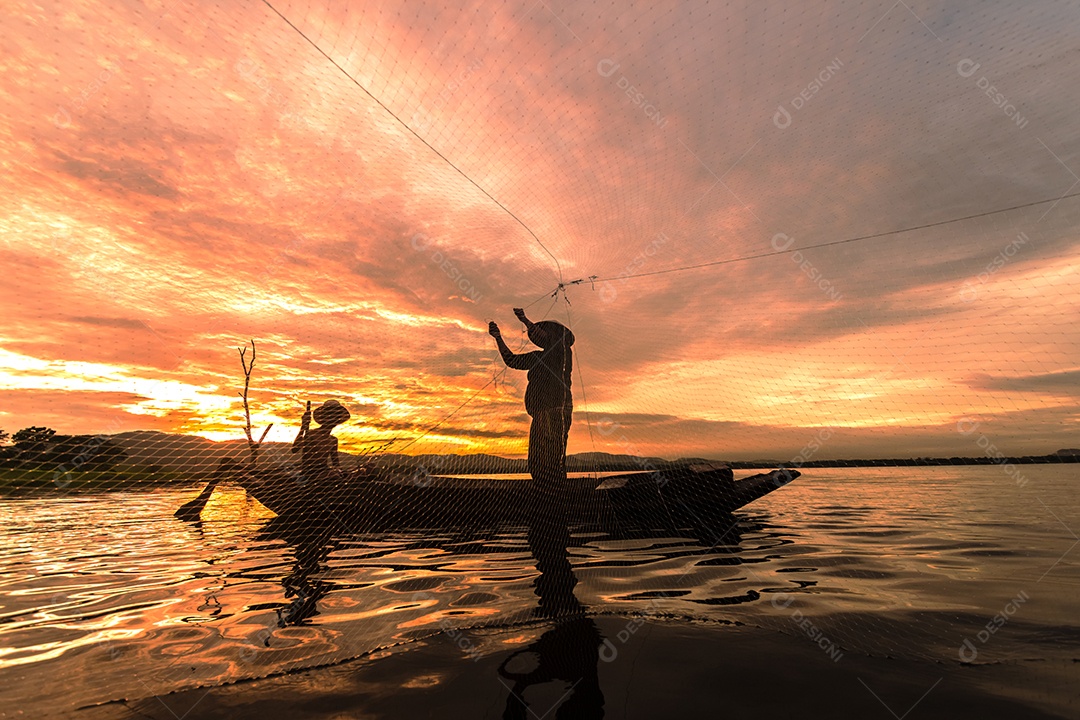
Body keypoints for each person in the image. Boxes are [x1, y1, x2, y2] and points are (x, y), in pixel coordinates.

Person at [488, 308, 575, 487]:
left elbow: (547, 340)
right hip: (540, 413)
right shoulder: (538, 357)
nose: (543, 335)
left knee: (552, 451)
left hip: (555, 410)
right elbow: (511, 360)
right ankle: (544, 486)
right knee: (538, 453)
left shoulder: (562, 353)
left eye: (549, 333)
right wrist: (498, 337)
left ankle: (555, 488)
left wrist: (524, 320)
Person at [291, 399, 350, 483]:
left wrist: (341, 471)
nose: (333, 420)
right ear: (324, 417)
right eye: (330, 416)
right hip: (310, 473)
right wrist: (303, 427)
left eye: (336, 417)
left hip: (325, 471)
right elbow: (294, 449)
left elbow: (336, 464)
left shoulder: (333, 440)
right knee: (334, 477)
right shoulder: (311, 434)